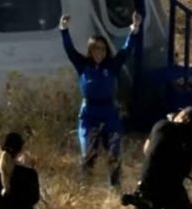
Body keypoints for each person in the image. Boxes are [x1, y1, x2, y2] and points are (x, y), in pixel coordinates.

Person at [60, 12, 142, 190]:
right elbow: (69, 50)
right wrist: (64, 30)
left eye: (103, 49)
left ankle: (115, 188)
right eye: (96, 49)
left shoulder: (111, 65)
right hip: (89, 113)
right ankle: (85, 190)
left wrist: (134, 30)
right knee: (89, 154)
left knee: (114, 152)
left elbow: (127, 50)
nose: (100, 53)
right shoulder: (83, 64)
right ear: (90, 50)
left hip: (109, 112)